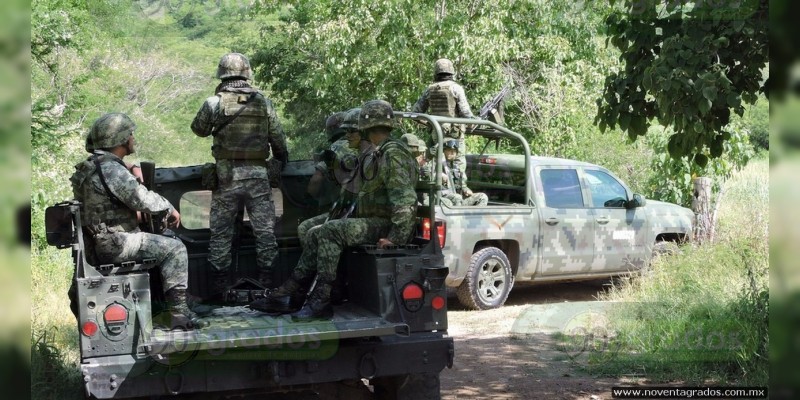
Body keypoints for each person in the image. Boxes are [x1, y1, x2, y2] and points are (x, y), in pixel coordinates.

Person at [250, 100, 418, 319]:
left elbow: (404, 199)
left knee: (330, 231)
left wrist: (396, 238)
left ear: (364, 128)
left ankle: (321, 299)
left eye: (353, 130)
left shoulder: (391, 154)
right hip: (372, 219)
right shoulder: (376, 153)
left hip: (384, 225)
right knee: (315, 229)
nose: (348, 135)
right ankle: (294, 290)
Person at [70, 113, 197, 329]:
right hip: (117, 243)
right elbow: (141, 199)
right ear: (119, 140)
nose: (132, 138)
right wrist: (169, 208)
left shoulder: (94, 167)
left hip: (99, 243)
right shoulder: (111, 170)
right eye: (130, 134)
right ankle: (178, 312)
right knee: (174, 248)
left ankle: (167, 304)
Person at [191, 52, 289, 293]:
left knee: (221, 235)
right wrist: (279, 162)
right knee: (265, 233)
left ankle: (220, 287)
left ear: (222, 74)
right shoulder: (263, 102)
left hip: (226, 178)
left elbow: (199, 130)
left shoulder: (213, 103)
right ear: (247, 74)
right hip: (257, 176)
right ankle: (267, 284)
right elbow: (278, 140)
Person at [411, 58, 475, 172]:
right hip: (454, 134)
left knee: (436, 161)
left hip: (436, 132)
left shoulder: (429, 89)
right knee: (458, 161)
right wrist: (473, 124)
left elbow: (415, 112)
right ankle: (461, 187)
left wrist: (429, 123)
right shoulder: (456, 88)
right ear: (451, 71)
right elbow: (466, 114)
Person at [423, 139, 488, 207]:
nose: (452, 152)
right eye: (449, 150)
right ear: (443, 151)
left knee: (482, 197)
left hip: (457, 199)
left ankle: (472, 217)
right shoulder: (435, 163)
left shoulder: (457, 167)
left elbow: (463, 185)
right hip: (442, 198)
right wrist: (438, 175)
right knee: (457, 198)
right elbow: (426, 176)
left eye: (454, 151)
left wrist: (466, 190)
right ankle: (457, 217)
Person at [305, 111, 348, 203]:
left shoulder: (335, 149)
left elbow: (316, 180)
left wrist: (309, 200)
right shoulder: (364, 144)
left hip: (342, 206)